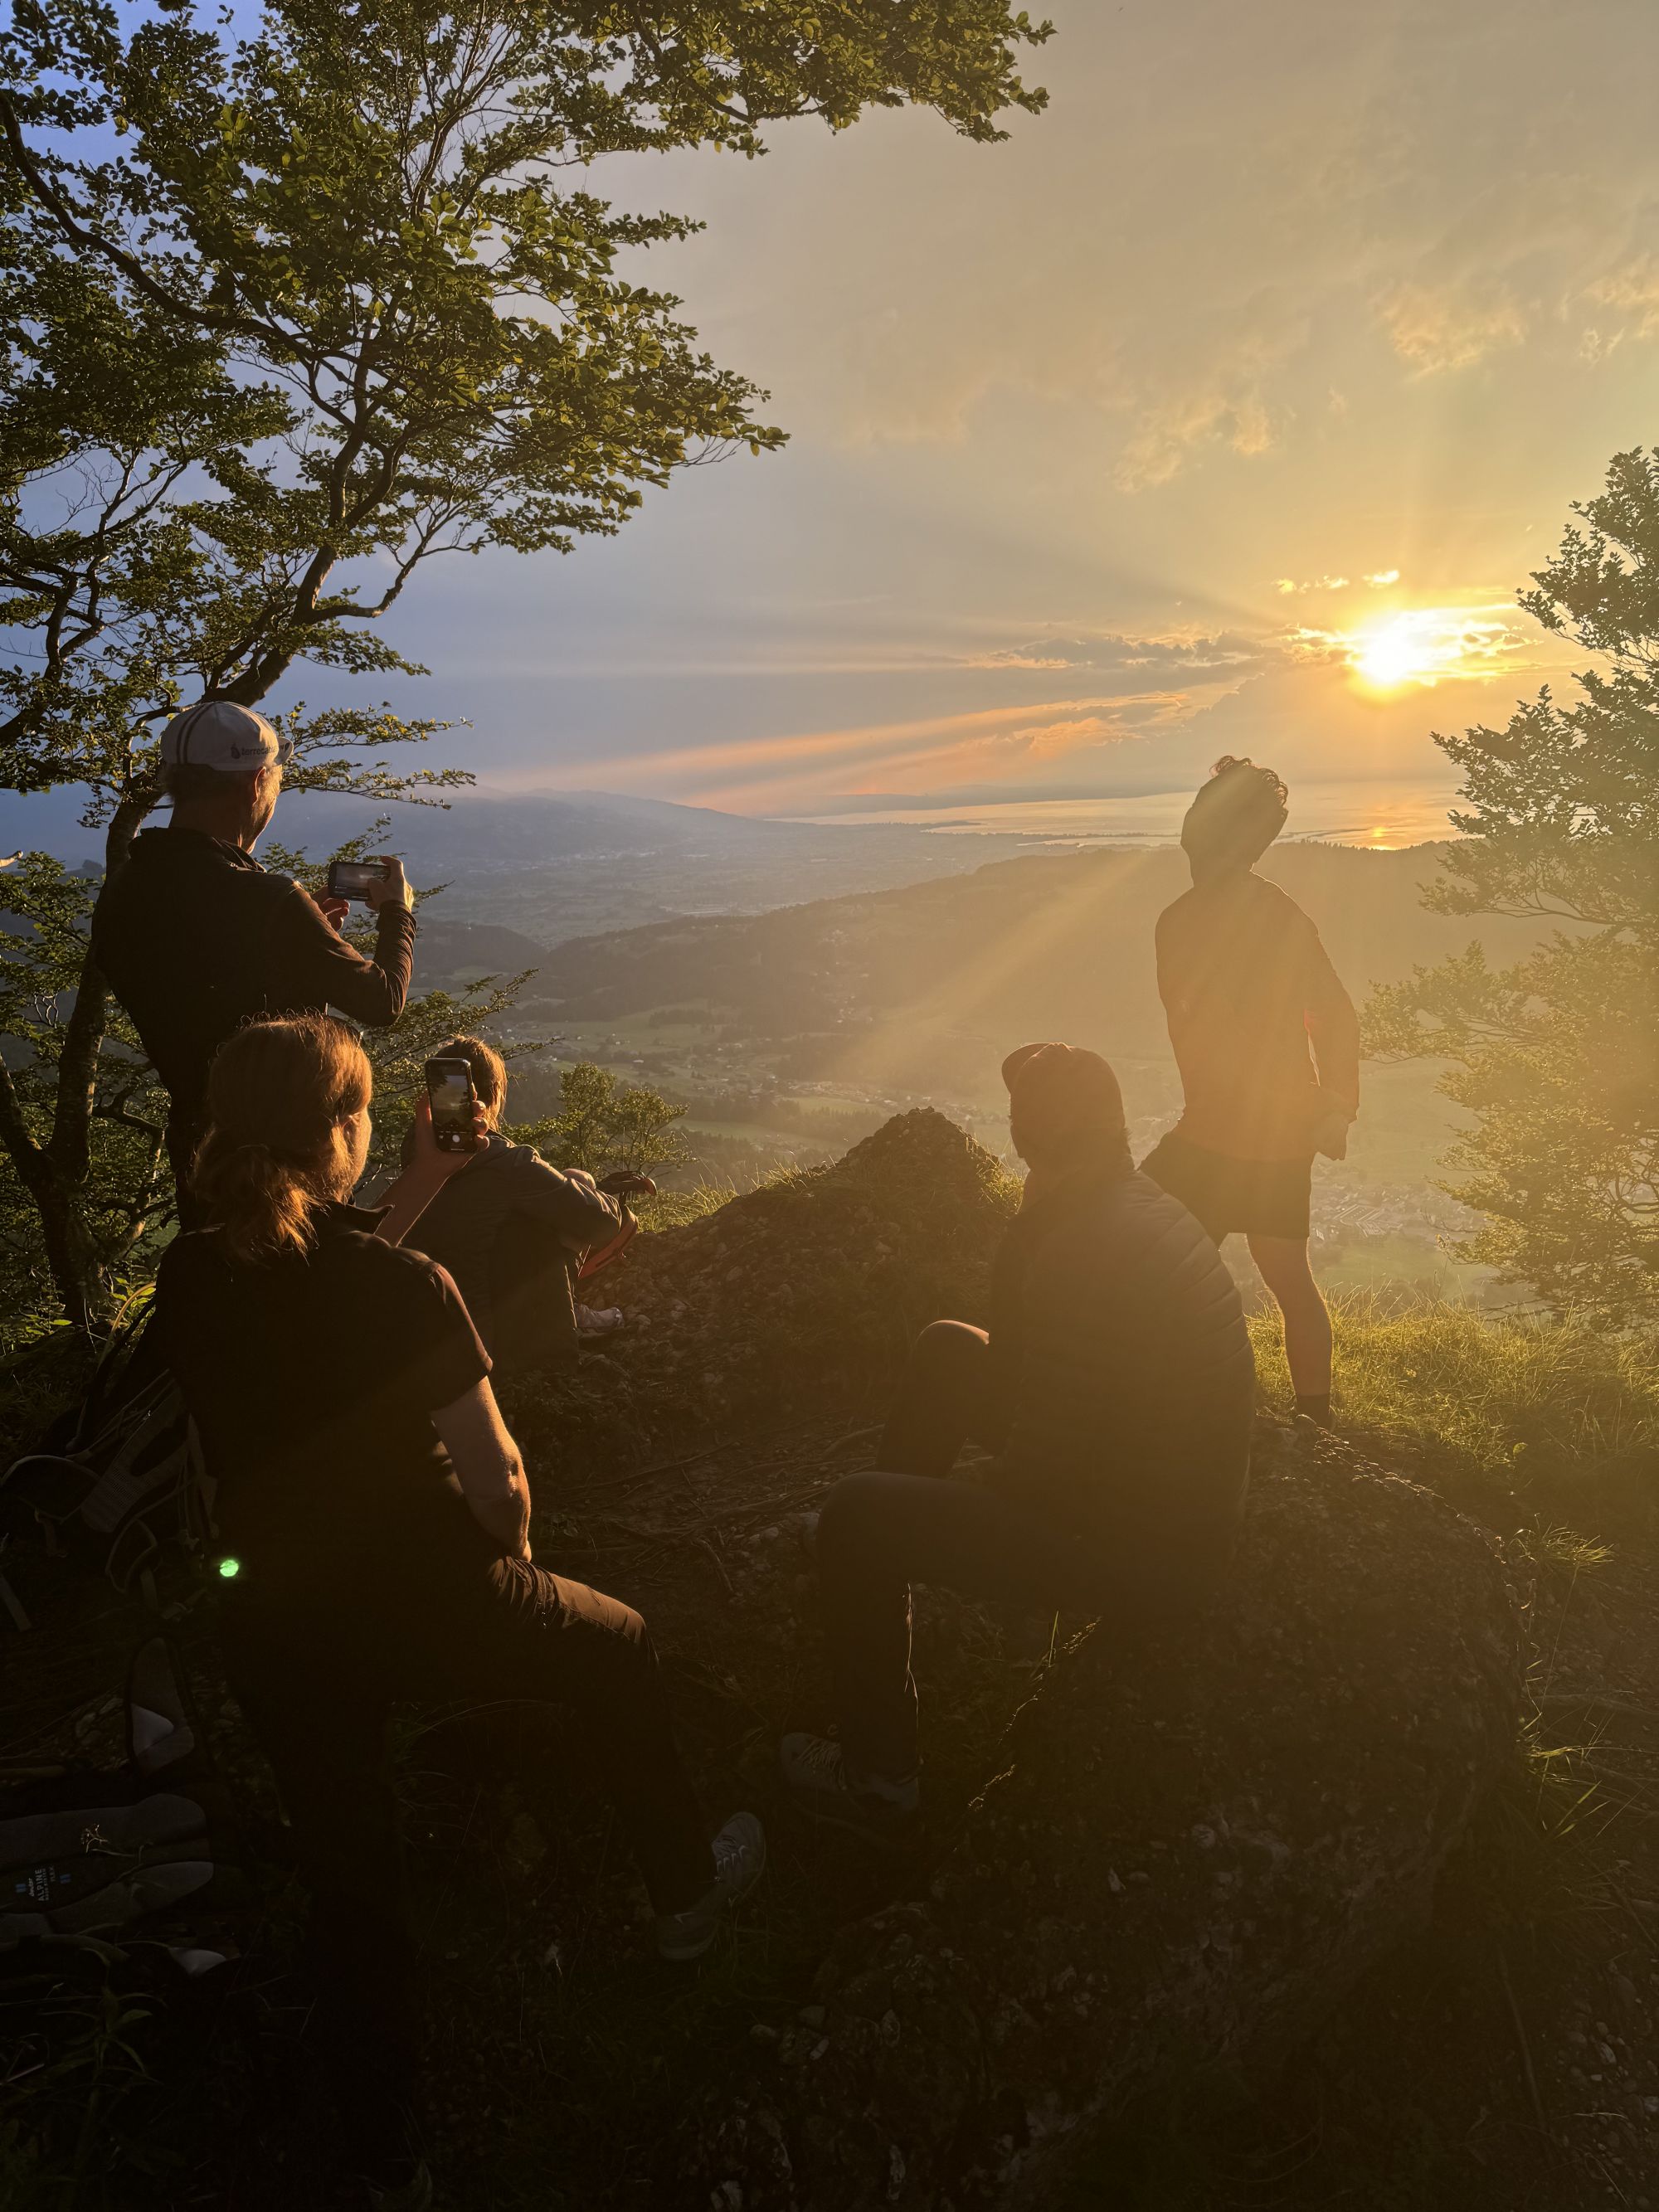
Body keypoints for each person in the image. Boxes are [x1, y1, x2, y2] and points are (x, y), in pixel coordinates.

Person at [155, 1017, 763, 2185]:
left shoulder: (194, 1268)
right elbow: (501, 1480)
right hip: (428, 1593)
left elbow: (298, 1296)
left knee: (351, 1879)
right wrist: (510, 1577)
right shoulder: (405, 1283)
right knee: (622, 1642)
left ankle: (385, 2149)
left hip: (274, 1614)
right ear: (342, 1129)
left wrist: (419, 1189)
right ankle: (688, 1900)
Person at [780, 1042, 1254, 1845]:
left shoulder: (1083, 1245)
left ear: (1022, 1133)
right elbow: (1044, 1377)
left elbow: (1045, 1471)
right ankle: (891, 1573)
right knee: (949, 1348)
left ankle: (876, 1781)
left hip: (1147, 1553)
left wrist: (968, 1500)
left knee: (855, 1514)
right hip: (1163, 1489)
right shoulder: (1123, 1199)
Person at [94, 700, 416, 1216]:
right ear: (256, 781)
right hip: (293, 1164)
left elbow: (196, 980)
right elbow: (382, 1001)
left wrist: (297, 947)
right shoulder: (267, 899)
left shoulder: (125, 891)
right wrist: (398, 914)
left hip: (201, 1154)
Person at [1140, 756, 1360, 1427]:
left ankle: (1175, 1402)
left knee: (1146, 1250)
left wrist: (1336, 1106)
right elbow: (1330, 1014)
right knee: (1284, 1274)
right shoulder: (1237, 914)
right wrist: (1331, 1106)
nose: (1189, 825)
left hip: (1229, 1132)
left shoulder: (1195, 919)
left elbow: (1329, 1014)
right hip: (1264, 1129)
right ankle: (1314, 1424)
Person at [394, 1034, 649, 1378]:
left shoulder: (416, 1159)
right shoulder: (508, 1163)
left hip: (424, 1343)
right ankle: (568, 1318)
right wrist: (601, 1195)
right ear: (495, 1096)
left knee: (552, 1192)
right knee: (576, 1184)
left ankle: (569, 1310)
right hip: (494, 1352)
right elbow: (601, 1223)